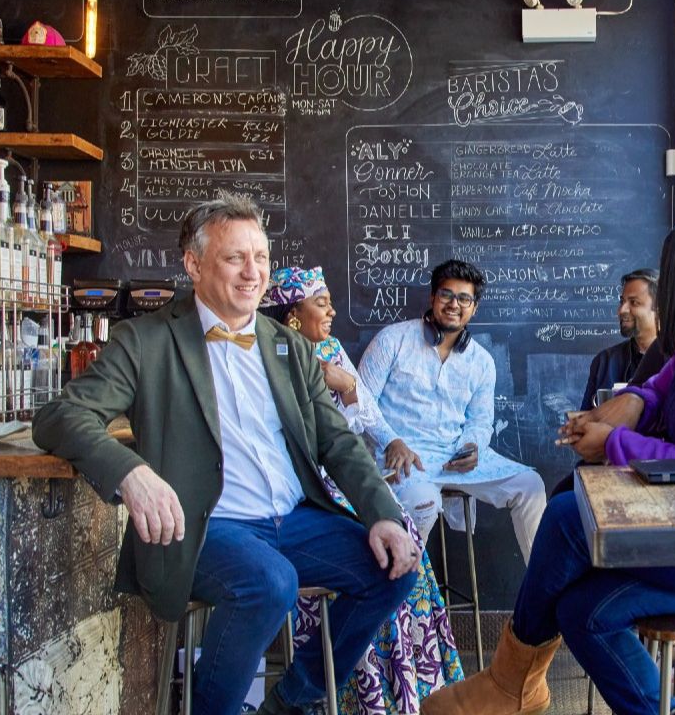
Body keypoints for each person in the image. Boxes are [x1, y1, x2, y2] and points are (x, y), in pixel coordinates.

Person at [33, 192, 419, 715]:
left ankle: (291, 701)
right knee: (270, 582)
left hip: (294, 519)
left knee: (396, 565)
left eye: (260, 258)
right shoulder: (144, 340)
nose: (252, 272)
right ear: (194, 264)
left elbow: (336, 440)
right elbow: (60, 417)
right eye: (235, 257)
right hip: (207, 525)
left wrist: (381, 514)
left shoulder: (288, 346)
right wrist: (131, 473)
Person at [421, 206, 675, 715]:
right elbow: (661, 386)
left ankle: (508, 682)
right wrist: (637, 401)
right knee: (581, 610)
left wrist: (612, 445)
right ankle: (521, 686)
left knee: (566, 516)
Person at [261, 266, 464, 714]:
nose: (333, 310)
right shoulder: (274, 357)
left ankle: (408, 684)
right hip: (306, 487)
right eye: (322, 302)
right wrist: (335, 386)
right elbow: (309, 437)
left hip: (344, 475)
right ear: (293, 315)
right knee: (369, 554)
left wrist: (358, 398)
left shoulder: (331, 349)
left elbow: (362, 419)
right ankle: (351, 690)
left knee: (401, 536)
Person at [357, 259, 548, 561]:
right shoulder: (392, 340)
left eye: (464, 298)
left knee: (531, 486)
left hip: (454, 456)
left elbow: (481, 421)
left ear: (475, 307)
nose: (453, 304)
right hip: (403, 456)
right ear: (432, 298)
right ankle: (407, 595)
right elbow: (361, 403)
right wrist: (391, 440)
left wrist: (471, 446)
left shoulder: (482, 361)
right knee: (423, 504)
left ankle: (543, 596)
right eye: (446, 295)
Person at [579, 268, 666, 411]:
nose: (621, 310)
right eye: (622, 301)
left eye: (634, 302)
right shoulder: (604, 362)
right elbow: (586, 420)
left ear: (660, 309)